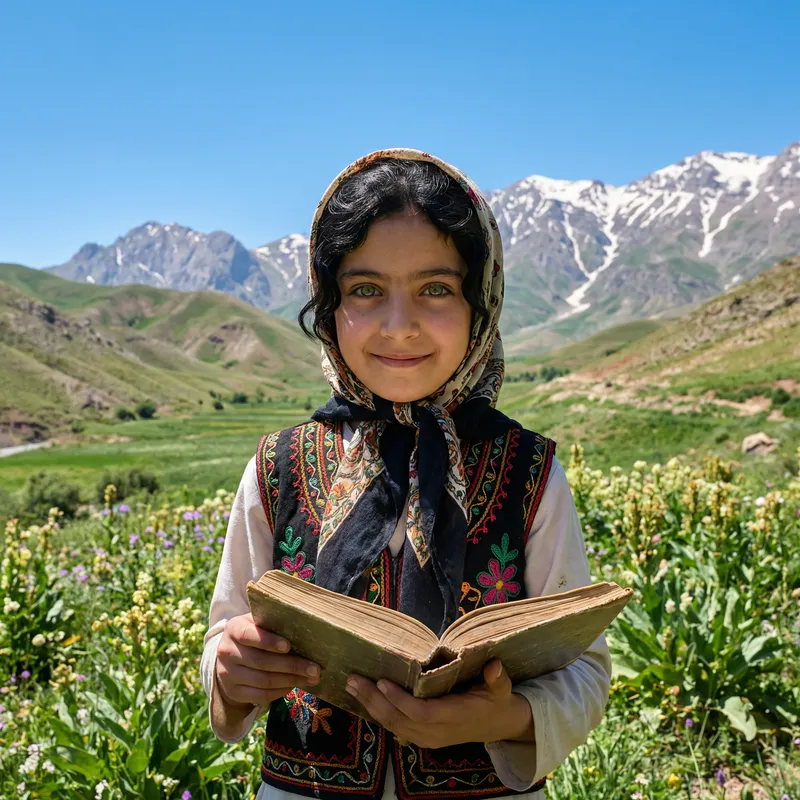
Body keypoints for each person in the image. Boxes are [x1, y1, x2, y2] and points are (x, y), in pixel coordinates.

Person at [200, 149, 611, 800]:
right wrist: (230, 669)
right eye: (366, 290)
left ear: (481, 301)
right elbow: (224, 635)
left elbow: (584, 672)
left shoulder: (530, 473)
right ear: (328, 303)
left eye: (436, 289)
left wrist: (505, 716)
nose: (400, 325)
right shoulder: (277, 467)